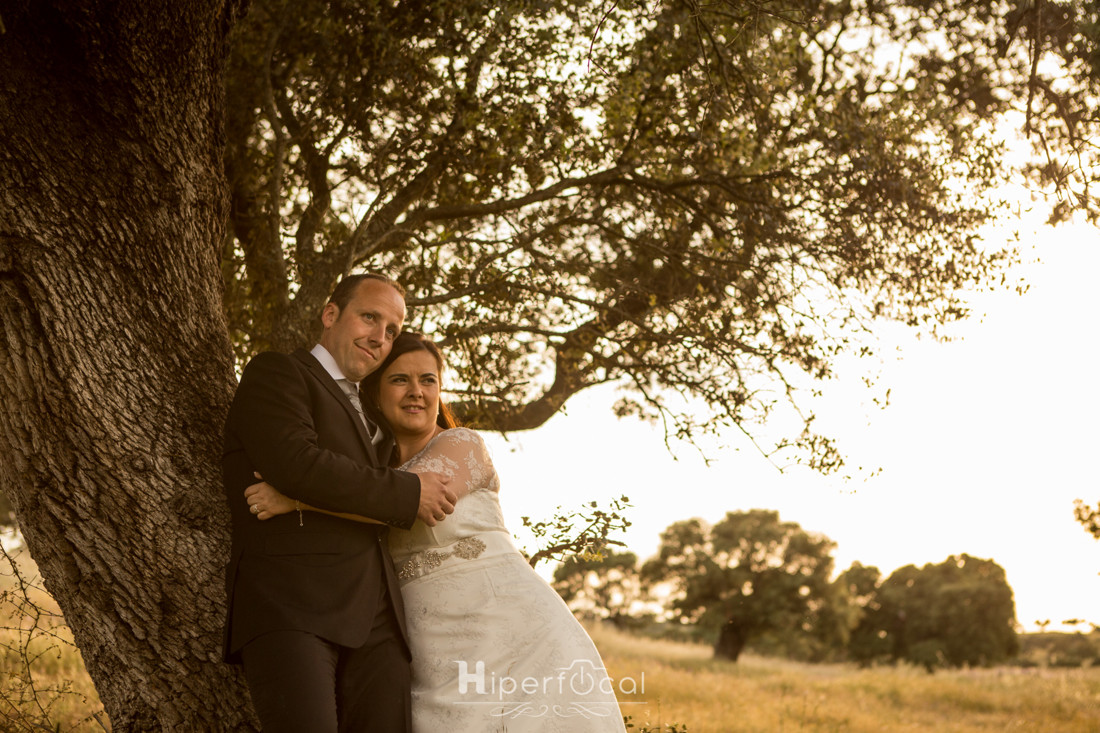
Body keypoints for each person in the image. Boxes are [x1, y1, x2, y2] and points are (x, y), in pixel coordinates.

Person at [246, 332, 628, 732]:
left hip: (510, 625)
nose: (416, 392)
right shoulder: (368, 475)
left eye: (428, 380)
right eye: (400, 380)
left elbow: (408, 502)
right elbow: (377, 496)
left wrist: (300, 501)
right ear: (375, 394)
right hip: (429, 644)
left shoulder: (462, 444)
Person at [222, 274, 458, 733]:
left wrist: (296, 502)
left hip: (379, 622)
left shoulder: (375, 413)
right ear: (330, 315)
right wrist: (408, 493)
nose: (380, 337)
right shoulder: (278, 373)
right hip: (293, 604)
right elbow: (296, 463)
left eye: (392, 330)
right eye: (369, 317)